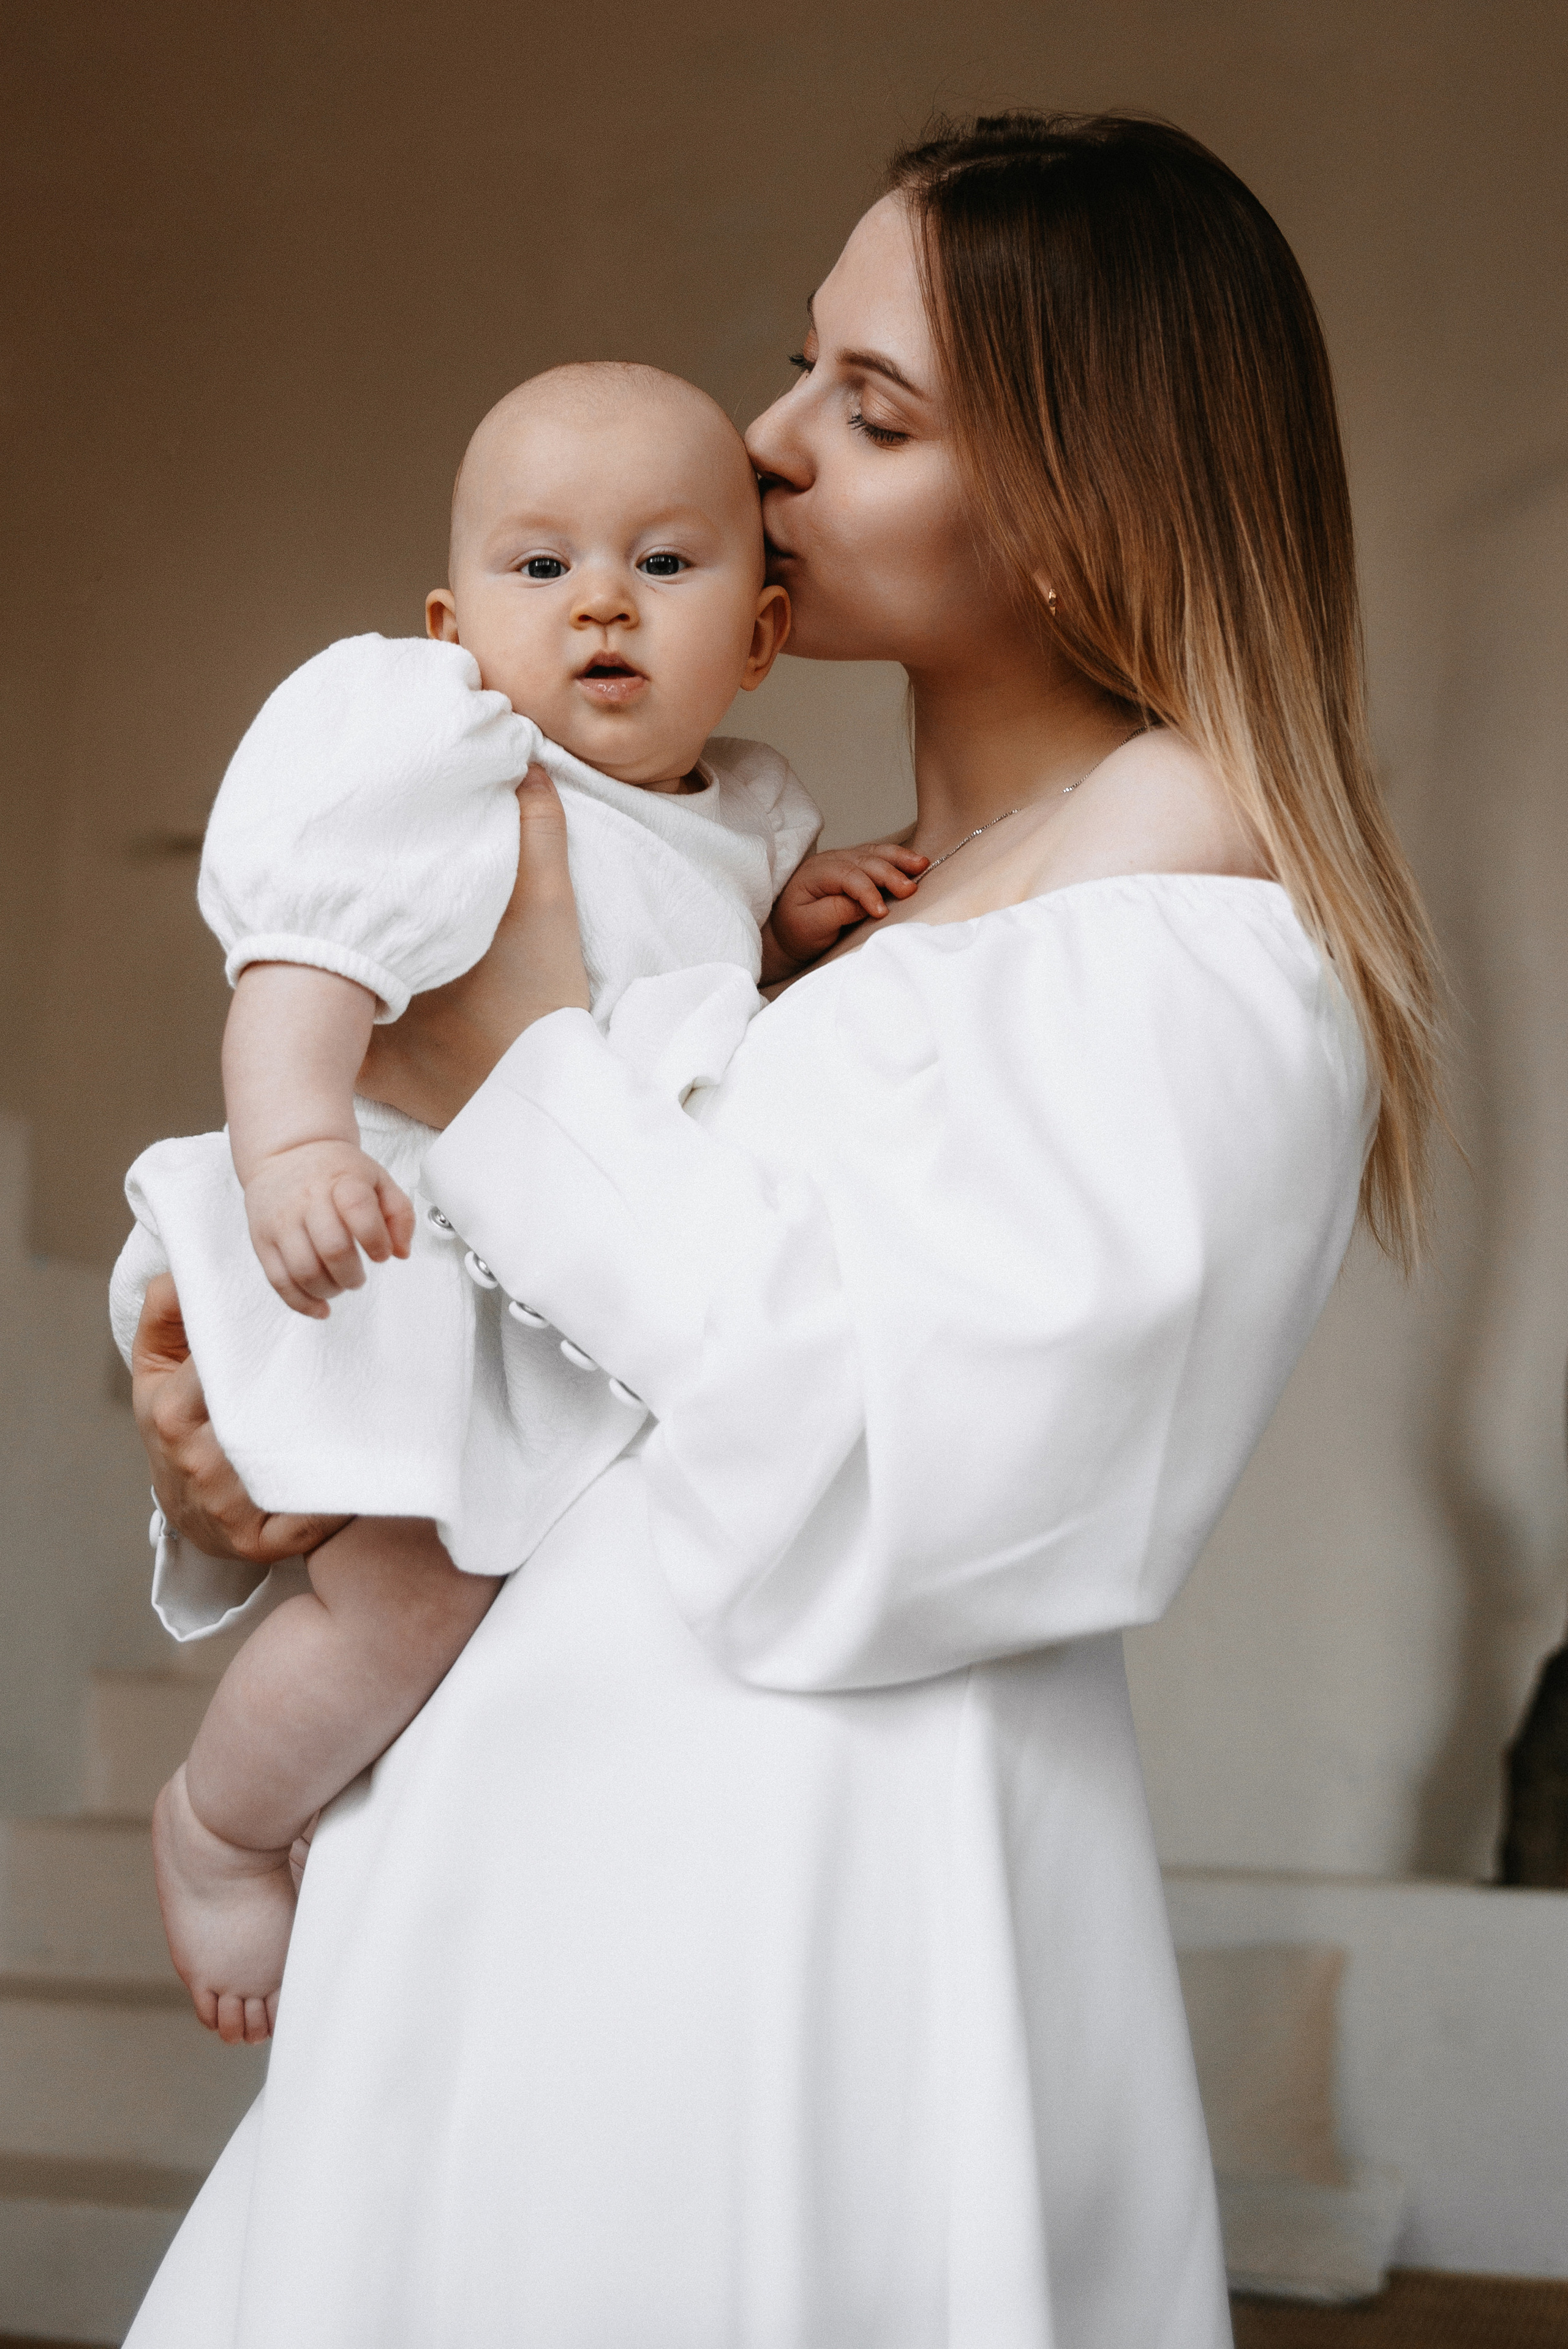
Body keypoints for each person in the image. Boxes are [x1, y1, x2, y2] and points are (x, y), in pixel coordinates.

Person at [124, 112, 1441, 2349]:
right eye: (802, 368)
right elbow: (613, 1408)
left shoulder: (1191, 920)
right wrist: (258, 1447)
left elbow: (906, 1486)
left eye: (874, 405)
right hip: (504, 1910)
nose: (766, 444)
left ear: (1080, 506)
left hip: (787, 1940)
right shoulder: (769, 909)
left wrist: (519, 1053)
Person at [113, 363, 928, 2044]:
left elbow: (673, 994)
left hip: (554, 1269)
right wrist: (289, 1147)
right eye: (539, 567)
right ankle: (217, 1822)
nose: (602, 603)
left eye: (666, 564)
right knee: (404, 1592)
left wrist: (789, 930)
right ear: (449, 617)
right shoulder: (438, 749)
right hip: (387, 1236)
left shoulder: (751, 815)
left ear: (759, 640)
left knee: (483, 1603)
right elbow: (304, 962)